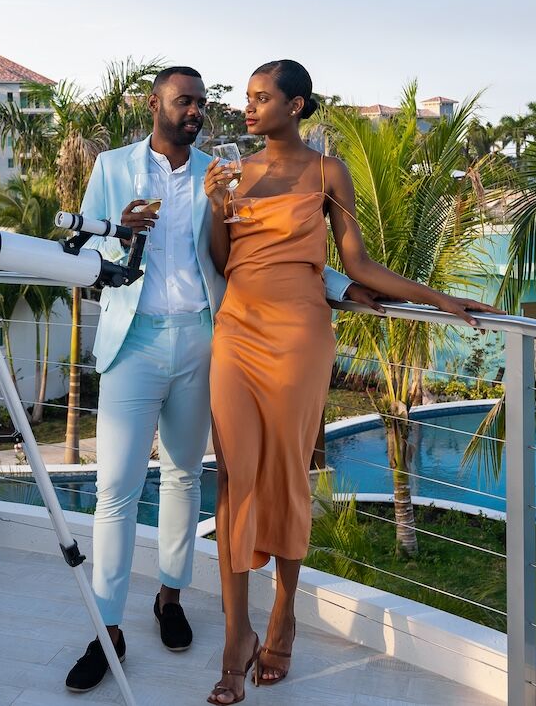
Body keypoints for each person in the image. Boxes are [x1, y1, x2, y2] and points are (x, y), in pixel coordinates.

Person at [64, 66, 380, 694]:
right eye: (184, 102)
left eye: (202, 104)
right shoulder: (111, 169)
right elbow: (79, 250)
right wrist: (116, 236)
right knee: (115, 489)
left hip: (206, 342)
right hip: (134, 341)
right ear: (154, 104)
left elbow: (258, 250)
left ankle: (171, 600)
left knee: (186, 475)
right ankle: (107, 631)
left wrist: (347, 287)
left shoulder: (226, 170)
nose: (196, 112)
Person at [201, 59, 493, 705]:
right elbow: (224, 261)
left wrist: (438, 297)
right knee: (232, 476)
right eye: (247, 97)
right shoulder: (233, 173)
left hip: (300, 334)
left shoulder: (329, 170)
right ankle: (234, 638)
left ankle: (282, 617)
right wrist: (217, 209)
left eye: (262, 97)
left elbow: (356, 261)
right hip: (237, 331)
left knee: (285, 472)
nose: (249, 108)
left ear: (297, 105)